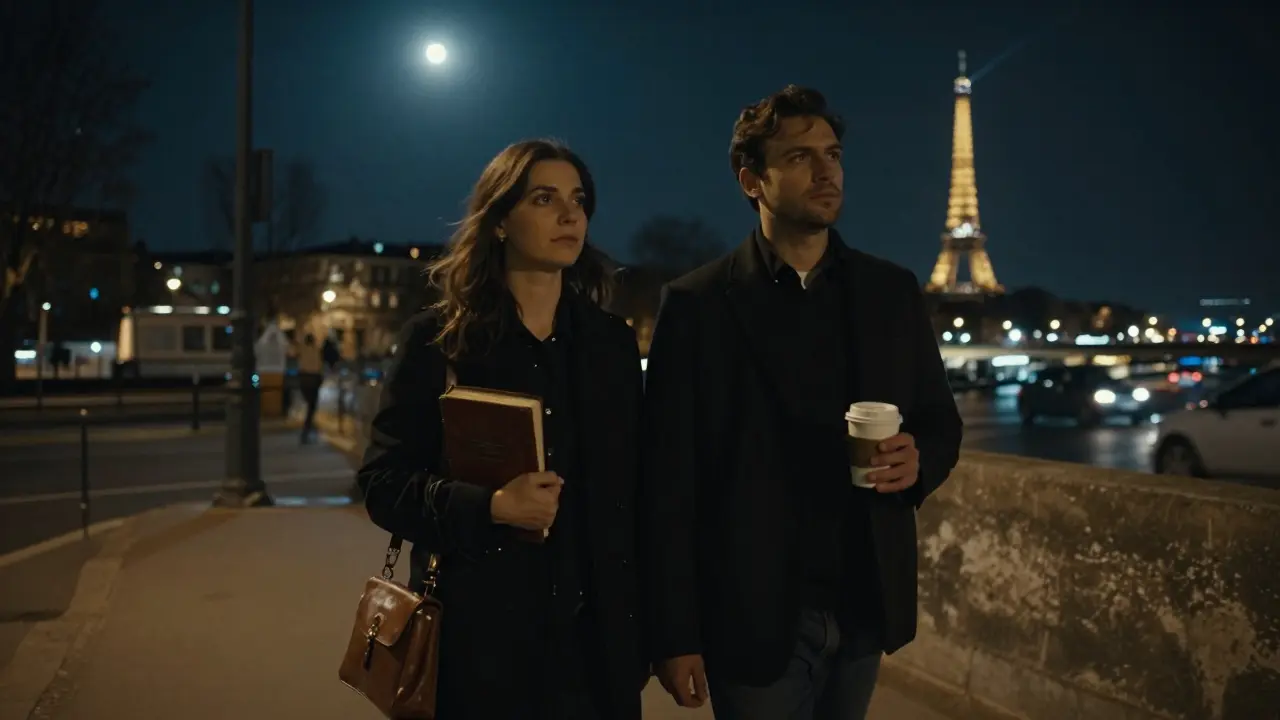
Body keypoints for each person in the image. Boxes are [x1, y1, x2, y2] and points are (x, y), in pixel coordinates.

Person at [640, 85, 964, 720]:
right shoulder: (698, 305)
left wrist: (917, 460)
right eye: (799, 157)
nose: (826, 172)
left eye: (834, 154)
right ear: (751, 180)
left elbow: (940, 422)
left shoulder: (891, 292)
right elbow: (668, 482)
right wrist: (673, 635)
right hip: (753, 613)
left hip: (863, 600)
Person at [356, 139, 647, 720]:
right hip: (479, 649)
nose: (570, 215)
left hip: (597, 652)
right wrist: (489, 506)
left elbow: (641, 494)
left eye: (579, 200)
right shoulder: (440, 342)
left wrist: (663, 634)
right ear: (499, 222)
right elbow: (382, 483)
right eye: (545, 199)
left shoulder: (611, 344)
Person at [294, 332, 325, 444]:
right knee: (312, 405)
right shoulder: (316, 350)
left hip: (304, 378)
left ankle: (308, 427)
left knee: (309, 404)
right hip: (313, 378)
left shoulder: (302, 350)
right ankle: (307, 428)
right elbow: (319, 366)